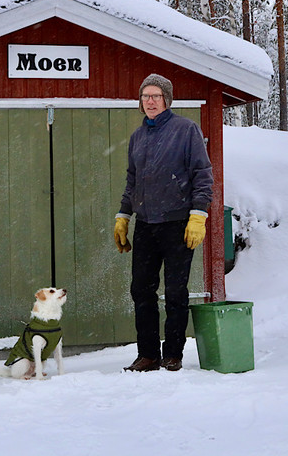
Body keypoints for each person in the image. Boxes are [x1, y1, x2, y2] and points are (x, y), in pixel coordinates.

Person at [114, 74, 213, 373]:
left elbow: (202, 174)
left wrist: (198, 214)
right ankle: (147, 355)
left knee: (175, 291)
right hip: (146, 224)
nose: (150, 101)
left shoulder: (186, 130)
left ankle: (172, 354)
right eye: (146, 96)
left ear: (167, 100)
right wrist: (124, 216)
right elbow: (132, 181)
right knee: (141, 290)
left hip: (178, 222)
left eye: (156, 96)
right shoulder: (137, 137)